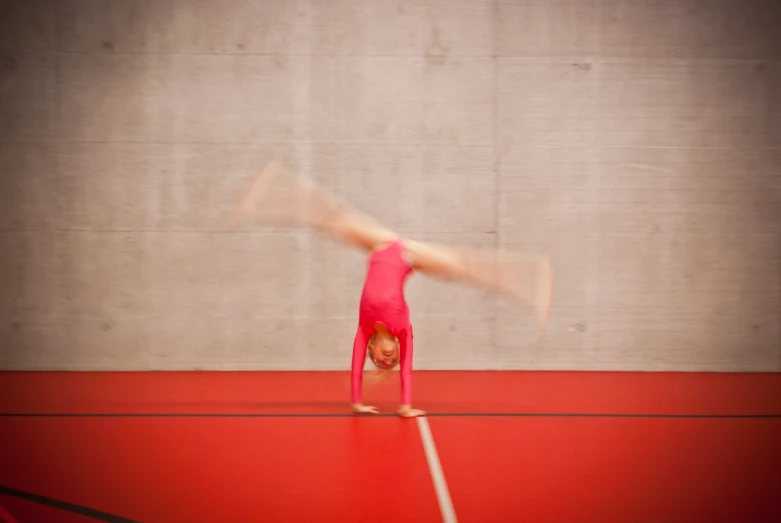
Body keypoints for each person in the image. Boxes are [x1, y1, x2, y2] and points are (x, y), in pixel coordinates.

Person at [228, 160, 553, 418]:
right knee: (461, 267)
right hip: (410, 254)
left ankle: (269, 191)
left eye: (380, 362)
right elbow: (407, 373)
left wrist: (356, 402)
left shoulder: (364, 330)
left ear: (371, 351)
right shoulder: (404, 332)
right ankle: (531, 275)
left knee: (331, 219)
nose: (387, 360)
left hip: (381, 242)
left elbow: (355, 370)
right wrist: (405, 406)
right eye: (390, 362)